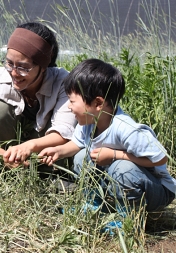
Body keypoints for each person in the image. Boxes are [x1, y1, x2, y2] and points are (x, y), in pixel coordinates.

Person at [39, 58, 176, 212]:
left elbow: (161, 158)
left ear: (98, 104)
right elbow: (76, 144)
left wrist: (115, 154)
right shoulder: (89, 122)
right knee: (81, 156)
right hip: (123, 181)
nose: (69, 107)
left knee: (123, 168)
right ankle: (94, 204)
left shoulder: (126, 128)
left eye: (72, 101)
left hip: (158, 190)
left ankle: (129, 218)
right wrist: (58, 151)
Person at [0, 22, 77, 168]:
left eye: (23, 67)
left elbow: (64, 132)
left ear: (44, 66)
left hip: (40, 155)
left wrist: (28, 146)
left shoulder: (63, 83)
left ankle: (41, 174)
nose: (14, 73)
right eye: (9, 63)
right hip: (1, 153)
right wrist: (4, 156)